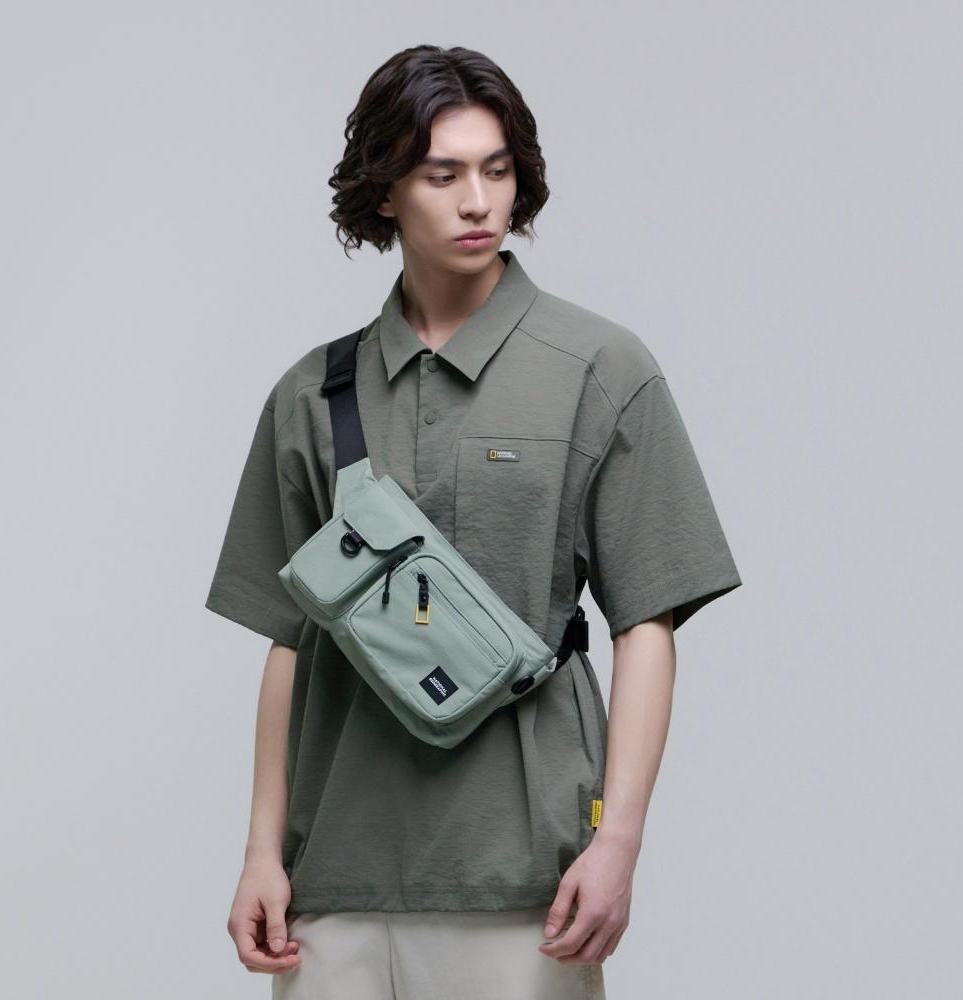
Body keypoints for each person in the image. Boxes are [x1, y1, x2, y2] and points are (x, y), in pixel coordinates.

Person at [205, 44, 742, 1000]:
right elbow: (290, 641)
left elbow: (646, 624)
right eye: (442, 174)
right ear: (383, 192)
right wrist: (261, 852)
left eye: (497, 170)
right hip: (334, 882)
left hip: (525, 880)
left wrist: (619, 842)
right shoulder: (312, 394)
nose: (477, 202)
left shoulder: (599, 368)